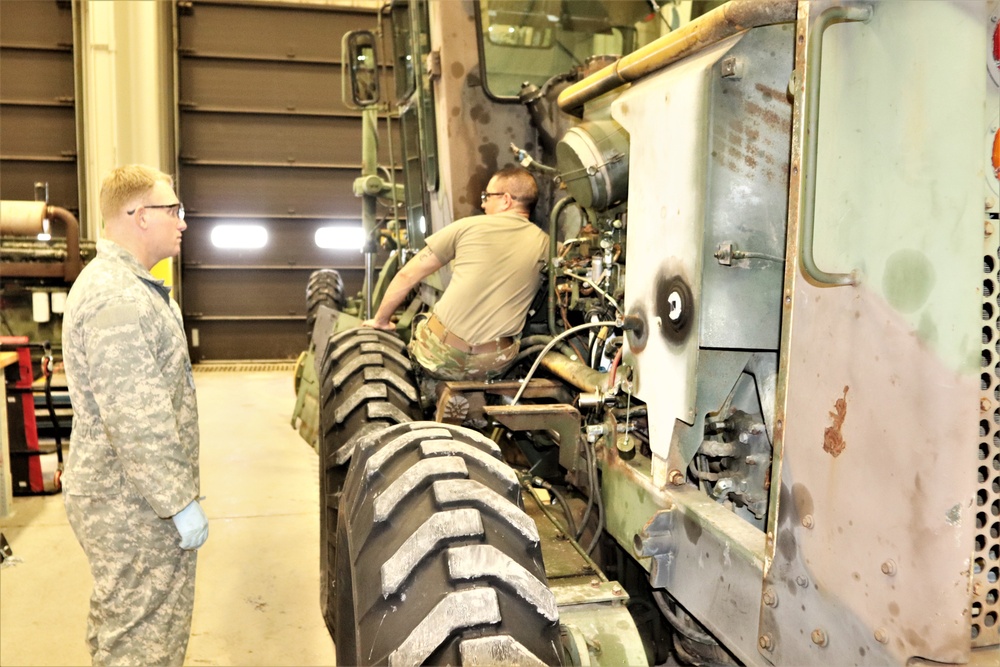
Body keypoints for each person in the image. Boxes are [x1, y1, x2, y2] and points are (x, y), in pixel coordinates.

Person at [62, 164, 207, 666]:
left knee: (122, 621)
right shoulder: (117, 296)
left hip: (129, 495)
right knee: (143, 640)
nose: (182, 222)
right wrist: (177, 501)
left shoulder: (132, 285)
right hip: (132, 502)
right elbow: (135, 417)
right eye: (174, 211)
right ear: (140, 216)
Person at [364, 164, 548, 380]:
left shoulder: (466, 227)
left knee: (423, 321)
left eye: (487, 196)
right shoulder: (547, 244)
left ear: (506, 200)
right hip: (494, 364)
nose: (483, 204)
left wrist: (380, 321)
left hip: (442, 355)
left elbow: (407, 275)